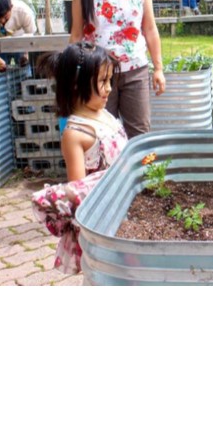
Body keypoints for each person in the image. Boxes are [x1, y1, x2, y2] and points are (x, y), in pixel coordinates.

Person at [31, 43, 127, 276]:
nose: (109, 89)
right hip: (102, 220)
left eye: (110, 80)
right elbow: (79, 192)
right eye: (102, 82)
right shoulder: (75, 134)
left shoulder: (104, 113)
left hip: (122, 205)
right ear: (76, 85)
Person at [70, 0, 165, 137]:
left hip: (135, 70)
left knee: (140, 133)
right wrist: (75, 74)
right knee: (101, 133)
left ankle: (141, 172)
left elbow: (149, 28)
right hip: (97, 72)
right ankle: (108, 173)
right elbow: (76, 33)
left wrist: (158, 68)